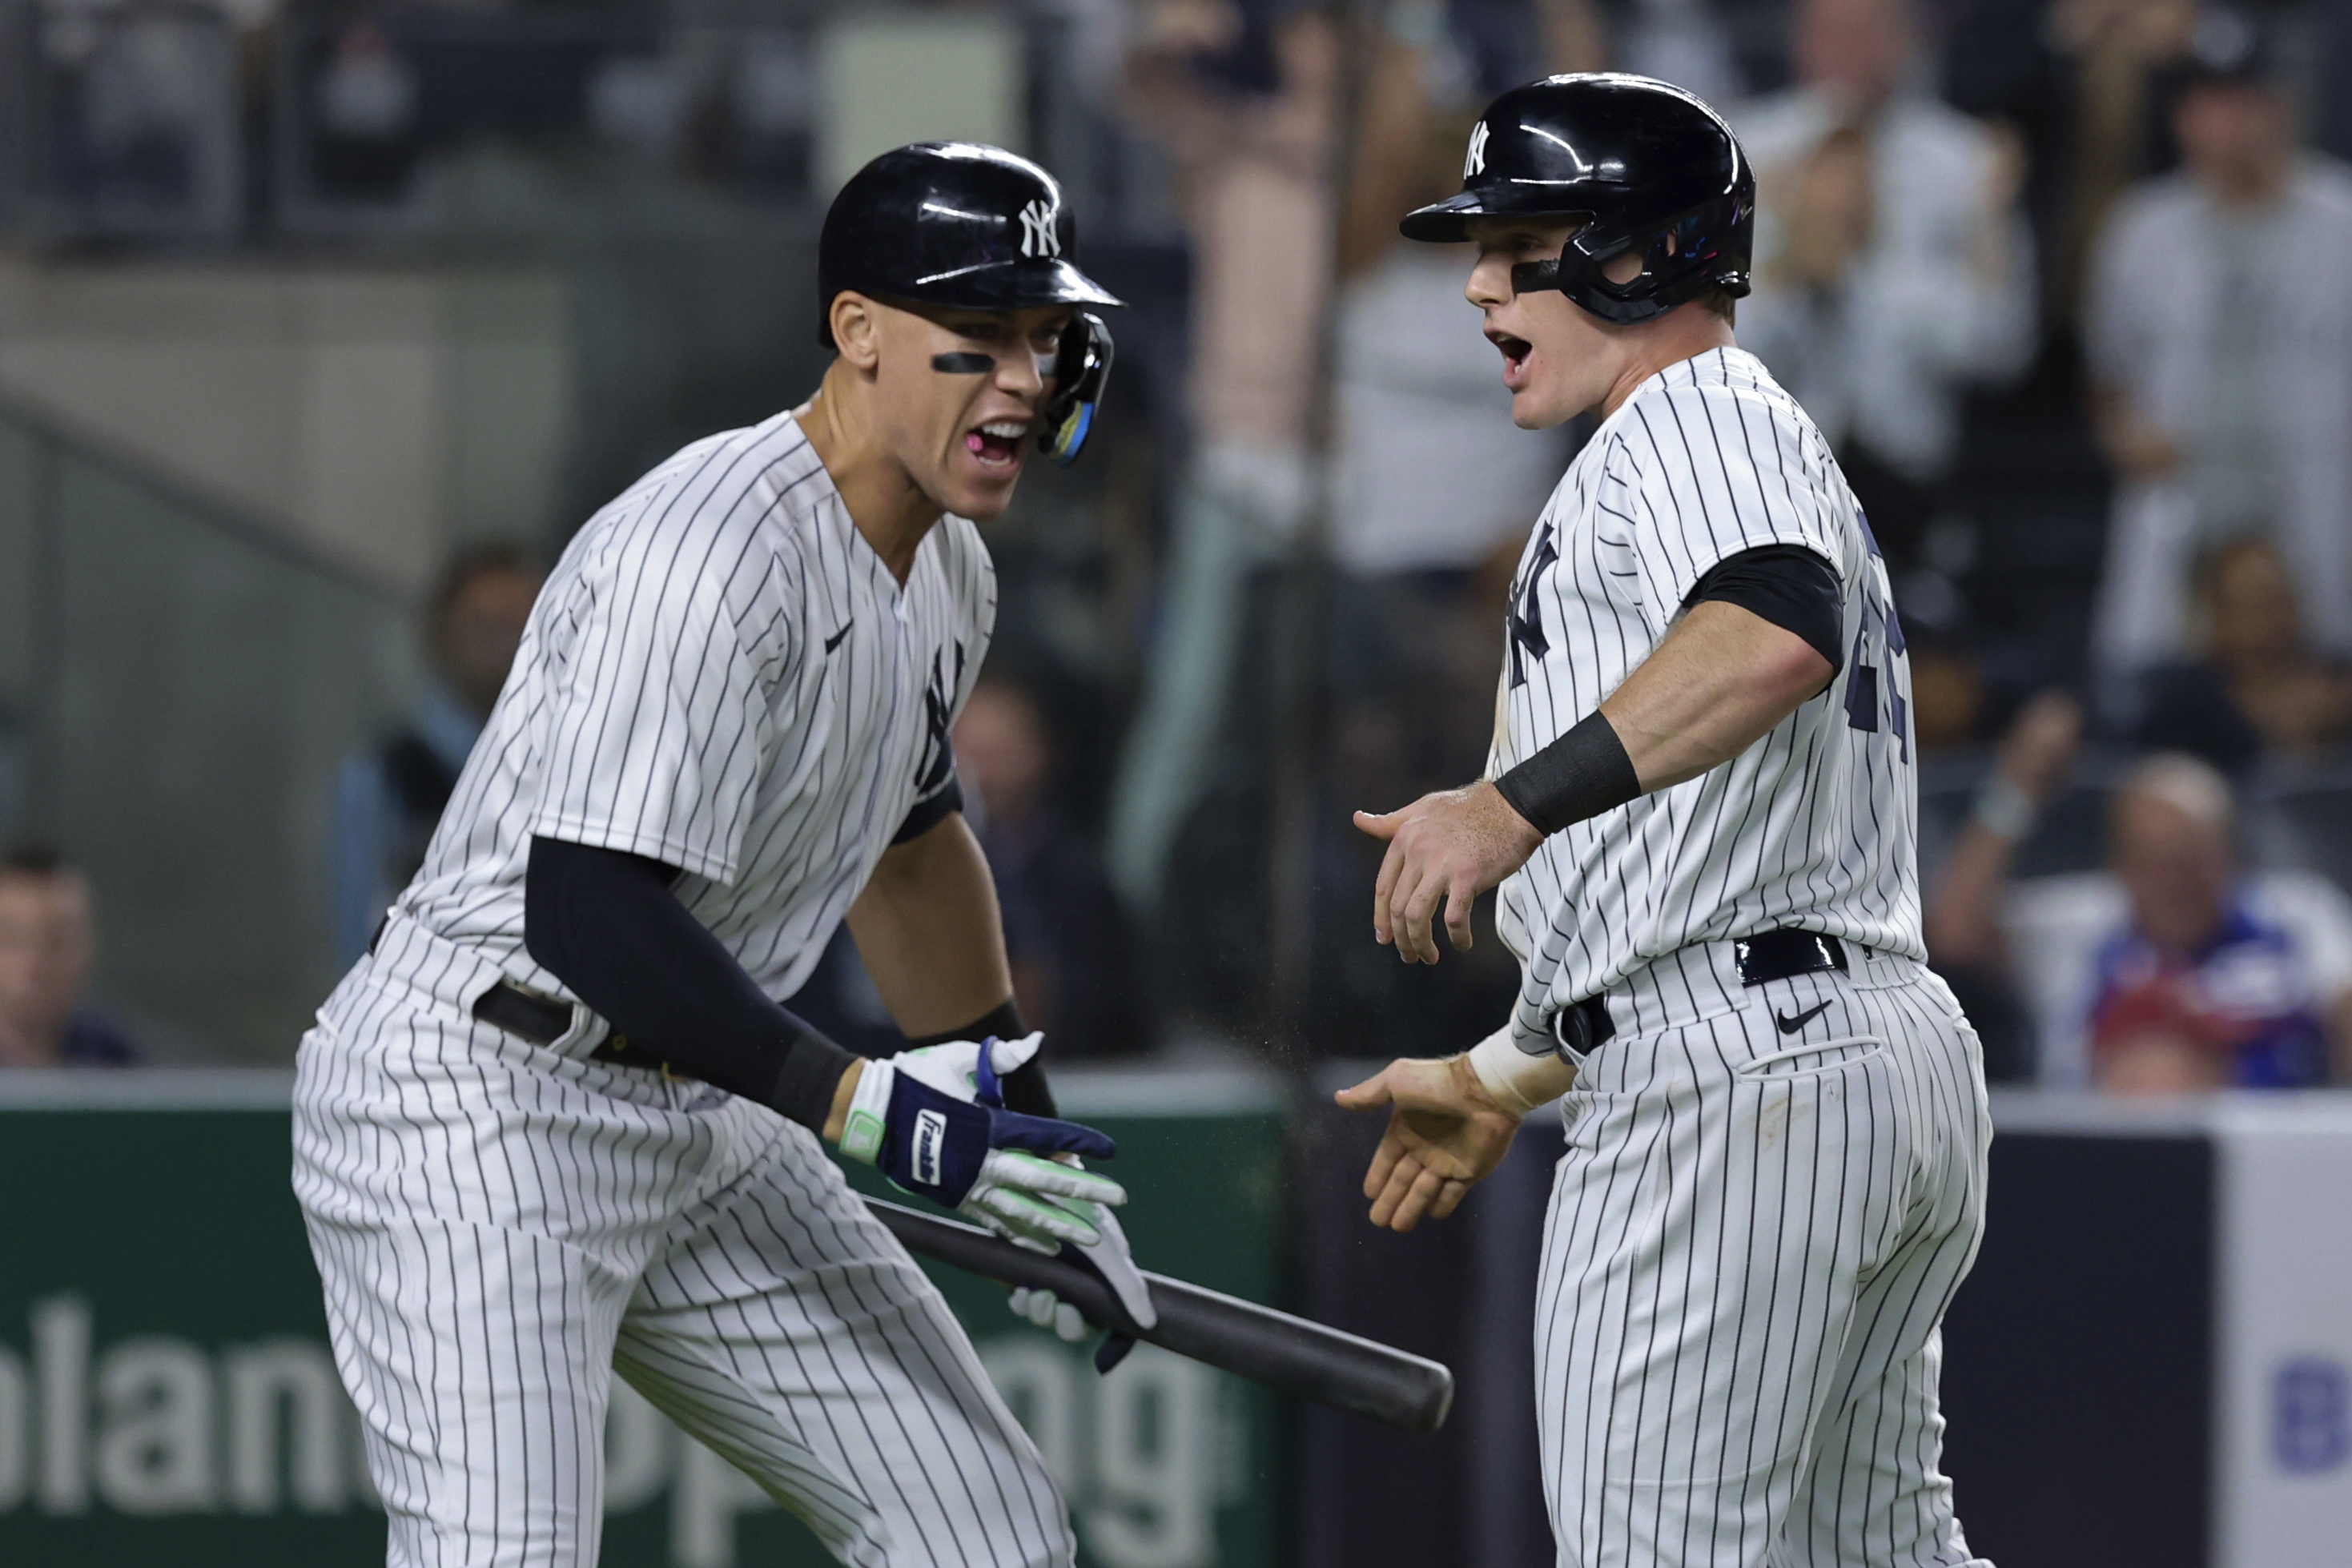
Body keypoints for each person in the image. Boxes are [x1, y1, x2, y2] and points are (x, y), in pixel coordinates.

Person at [291, 143, 1156, 1568]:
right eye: (979, 336)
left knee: (984, 1532)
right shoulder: (708, 551)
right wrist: (871, 1109)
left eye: (1046, 336)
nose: (1022, 376)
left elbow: (914, 849)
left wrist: (1021, 1128)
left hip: (699, 1096)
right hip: (485, 1089)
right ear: (859, 333)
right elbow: (583, 910)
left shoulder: (950, 565)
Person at [1336, 75, 1992, 1566]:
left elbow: (1772, 628)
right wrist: (1513, 1065)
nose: (1479, 282)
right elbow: (1697, 856)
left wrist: (1505, 804)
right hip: (1845, 1044)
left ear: (1638, 256)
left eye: (1519, 245)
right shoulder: (1720, 434)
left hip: (1736, 1090)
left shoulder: (1687, 415)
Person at [2085, 14, 2352, 686]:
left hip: (2316, 511)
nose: (2226, 125)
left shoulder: (2341, 221)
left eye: (2243, 102)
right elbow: (2108, 373)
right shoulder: (2140, 232)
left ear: (2277, 108)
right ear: (2181, 117)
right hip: (2186, 515)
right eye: (2206, 104)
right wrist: (2121, 430)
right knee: (2161, 692)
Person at [1734, 0, 2037, 577]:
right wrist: (1789, 271)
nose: (1849, 51)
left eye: (1867, 32)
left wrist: (1869, 284)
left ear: (1905, 41)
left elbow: (2002, 344)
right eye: (1831, 31)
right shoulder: (1743, 149)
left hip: (1911, 484)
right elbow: (1702, 337)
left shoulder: (1968, 160)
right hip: (1765, 488)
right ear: (1801, 40)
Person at [1927, 712, 2352, 1092]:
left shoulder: (2300, 911)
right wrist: (2015, 791)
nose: (2171, 882)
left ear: (2230, 857)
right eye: (2152, 862)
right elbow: (1953, 931)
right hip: (2102, 1154)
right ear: (2119, 865)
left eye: (2188, 860)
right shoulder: (2080, 925)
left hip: (2275, 1150)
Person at [332, 545, 543, 963]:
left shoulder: (562, 767)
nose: (504, 646)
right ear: (441, 634)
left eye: (520, 627)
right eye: (485, 626)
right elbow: (356, 938)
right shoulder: (384, 777)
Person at [952, 675, 1148, 1059]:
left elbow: (1108, 1018)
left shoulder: (1081, 882)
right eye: (967, 754)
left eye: (998, 754)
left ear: (1039, 755)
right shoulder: (896, 870)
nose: (981, 776)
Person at [2132, 535, 2352, 774]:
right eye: (2257, 604)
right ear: (2217, 616)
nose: (2276, 619)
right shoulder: (2183, 705)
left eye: (2282, 599)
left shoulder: (2337, 685)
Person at [0, 846, 137, 1068]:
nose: (34, 964)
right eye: (10, 939)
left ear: (86, 949)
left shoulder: (124, 1063)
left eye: (55, 942)